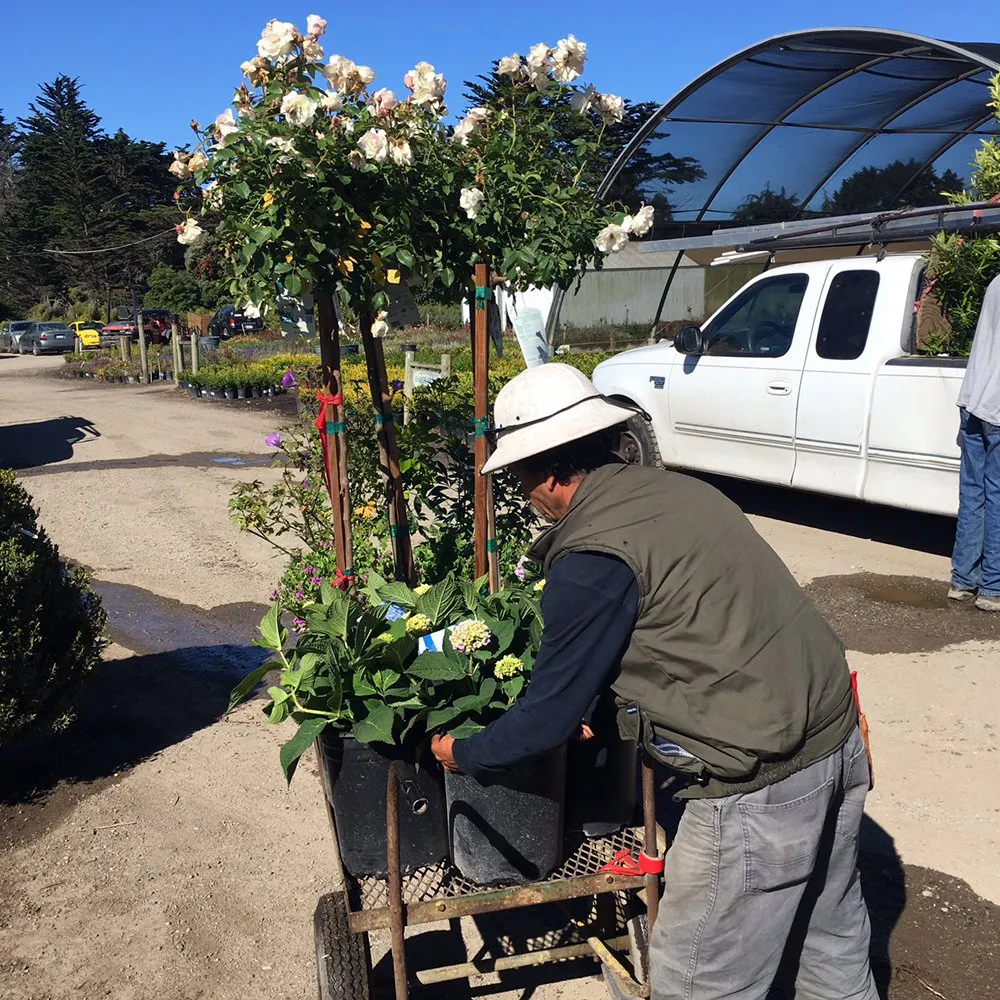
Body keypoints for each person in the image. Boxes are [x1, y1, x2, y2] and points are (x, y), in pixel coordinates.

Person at [431, 364, 877, 1000]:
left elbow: (544, 723)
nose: (525, 494)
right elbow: (691, 622)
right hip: (837, 739)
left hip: (757, 785)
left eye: (521, 477)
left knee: (700, 982)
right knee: (831, 947)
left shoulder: (591, 557)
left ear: (549, 473)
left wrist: (464, 752)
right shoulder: (680, 493)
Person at [950, 271, 1000, 611]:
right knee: (996, 495)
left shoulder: (995, 281)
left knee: (973, 493)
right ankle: (992, 588)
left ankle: (962, 580)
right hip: (996, 406)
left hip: (972, 397)